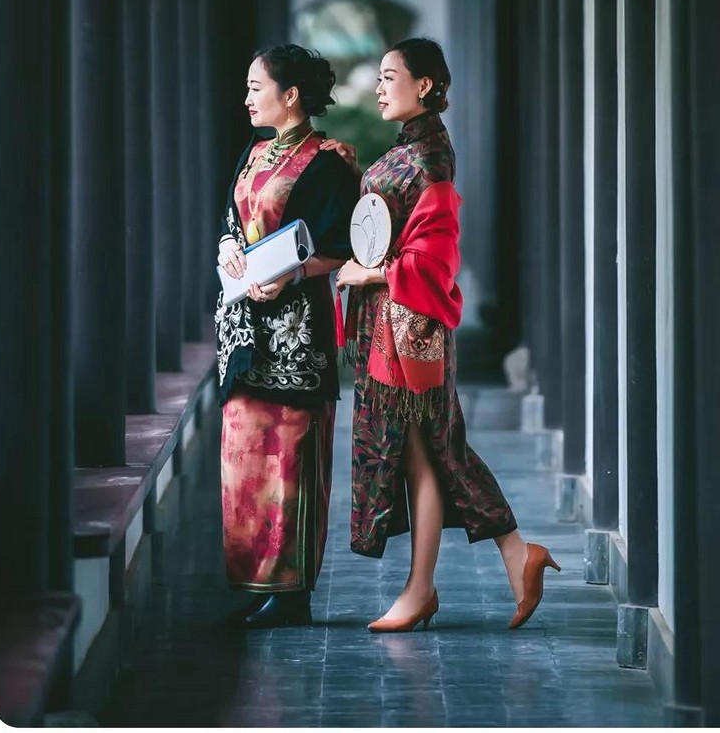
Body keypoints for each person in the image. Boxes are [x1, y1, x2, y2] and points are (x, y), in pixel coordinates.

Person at [326, 37, 560, 632]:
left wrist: (371, 273)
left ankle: (423, 588)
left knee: (425, 452)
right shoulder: (412, 148)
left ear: (424, 84)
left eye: (389, 76)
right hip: (394, 326)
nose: (379, 87)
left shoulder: (430, 158)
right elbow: (390, 218)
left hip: (409, 332)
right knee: (434, 450)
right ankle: (512, 556)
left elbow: (436, 259)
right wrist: (353, 171)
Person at [215, 44, 360, 628]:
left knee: (289, 460)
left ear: (291, 94)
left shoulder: (327, 162)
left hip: (296, 332)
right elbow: (231, 219)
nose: (248, 98)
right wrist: (229, 249)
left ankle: (291, 590)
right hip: (245, 328)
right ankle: (254, 580)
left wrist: (294, 275)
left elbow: (342, 246)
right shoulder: (252, 153)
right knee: (242, 456)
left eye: (257, 87)